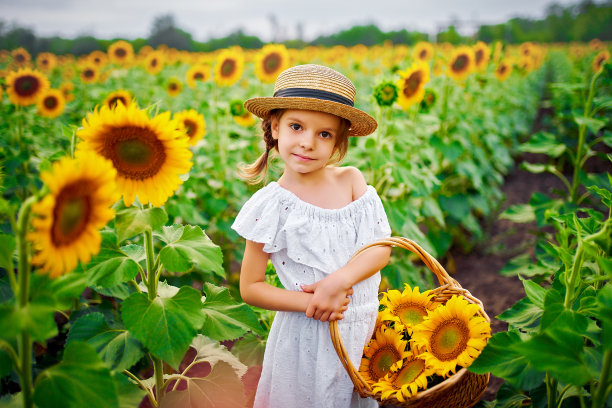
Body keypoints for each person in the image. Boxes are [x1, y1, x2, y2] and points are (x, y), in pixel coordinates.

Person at [232, 64, 392, 408]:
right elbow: (251, 287)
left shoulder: (351, 181)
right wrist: (312, 303)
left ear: (339, 141)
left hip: (360, 329)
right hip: (307, 335)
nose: (307, 142)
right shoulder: (270, 205)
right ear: (275, 127)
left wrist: (339, 281)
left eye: (324, 134)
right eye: (296, 126)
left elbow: (380, 249)